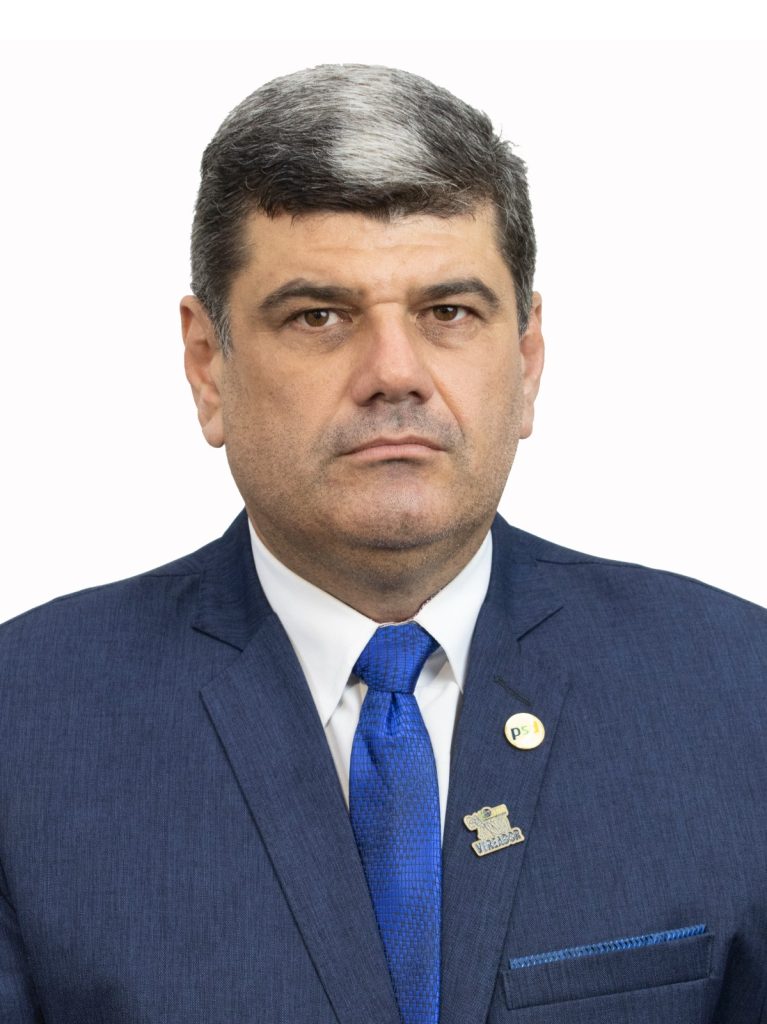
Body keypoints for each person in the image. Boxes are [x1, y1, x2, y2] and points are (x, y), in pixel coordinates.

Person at [0, 63, 765, 1024]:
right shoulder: (24, 727)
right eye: (318, 316)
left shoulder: (737, 690)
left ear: (526, 359)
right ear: (207, 365)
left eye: (449, 313)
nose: (393, 373)